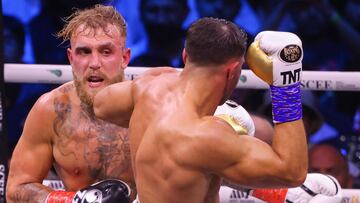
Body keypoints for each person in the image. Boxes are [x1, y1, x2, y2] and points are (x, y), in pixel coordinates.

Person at [94, 18, 308, 203]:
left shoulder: (150, 85)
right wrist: (285, 87)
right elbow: (292, 172)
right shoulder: (205, 137)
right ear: (233, 71)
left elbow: (101, 104)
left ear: (186, 56)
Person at [6, 5, 135, 203]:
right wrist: (73, 200)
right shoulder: (51, 110)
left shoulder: (146, 108)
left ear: (125, 58)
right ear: (71, 58)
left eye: (106, 51)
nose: (94, 63)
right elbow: (17, 189)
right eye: (84, 52)